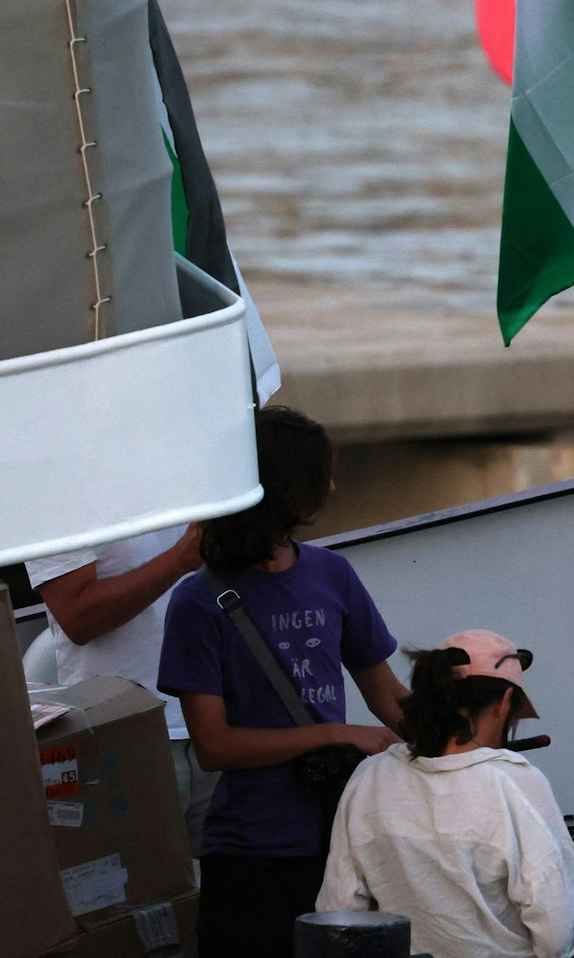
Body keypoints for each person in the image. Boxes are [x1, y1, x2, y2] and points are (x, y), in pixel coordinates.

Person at [158, 406, 409, 957]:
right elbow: (215, 747)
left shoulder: (332, 573)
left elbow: (389, 697)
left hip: (341, 840)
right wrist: (335, 734)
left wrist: (462, 731)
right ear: (284, 490)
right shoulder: (198, 601)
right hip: (249, 854)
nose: (334, 485)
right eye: (322, 474)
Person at [318, 630, 574, 958]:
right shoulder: (514, 782)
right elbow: (556, 931)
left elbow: (338, 911)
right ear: (504, 704)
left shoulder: (372, 777)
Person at [27, 523, 219, 854]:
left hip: (224, 720)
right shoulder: (54, 485)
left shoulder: (190, 471)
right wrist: (180, 560)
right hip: (129, 734)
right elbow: (77, 616)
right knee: (148, 894)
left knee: (237, 891)